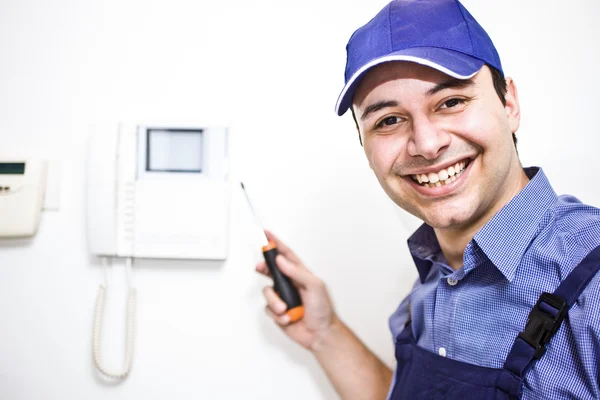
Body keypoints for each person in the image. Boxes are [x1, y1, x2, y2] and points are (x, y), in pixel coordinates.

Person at [255, 0, 600, 398]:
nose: (427, 144)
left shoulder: (592, 287)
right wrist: (325, 332)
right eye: (389, 121)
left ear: (509, 105)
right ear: (365, 146)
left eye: (451, 102)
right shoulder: (426, 293)